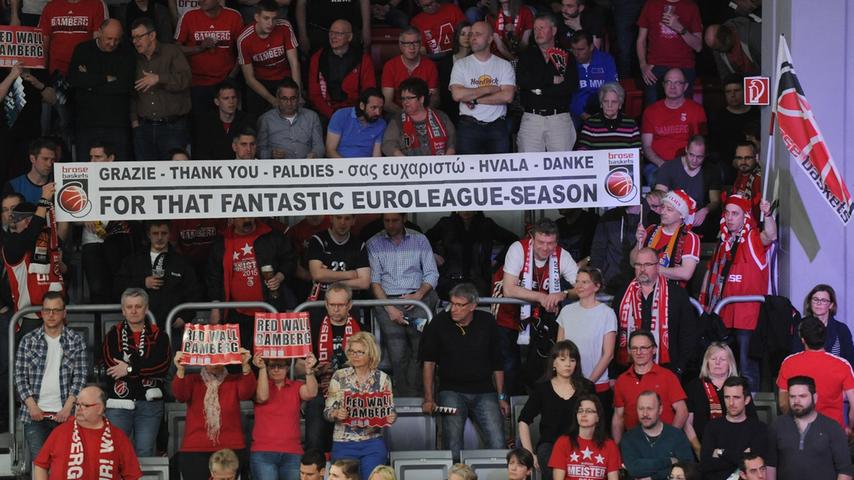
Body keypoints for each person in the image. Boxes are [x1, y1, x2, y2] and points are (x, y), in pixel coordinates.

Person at [420, 282, 507, 460]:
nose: (454, 309)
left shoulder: (487, 322)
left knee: (498, 442)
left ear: (473, 306)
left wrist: (501, 396)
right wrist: (429, 398)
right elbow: (428, 362)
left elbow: (497, 362)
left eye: (460, 305)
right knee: (452, 444)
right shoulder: (439, 323)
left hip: (485, 390)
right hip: (451, 390)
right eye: (452, 303)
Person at [699, 195, 776, 392]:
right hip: (724, 313)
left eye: (736, 213)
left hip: (747, 315)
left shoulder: (752, 237)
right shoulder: (723, 241)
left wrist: (767, 214)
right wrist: (704, 299)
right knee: (725, 365)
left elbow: (770, 235)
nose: (730, 217)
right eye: (728, 213)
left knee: (746, 365)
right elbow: (711, 271)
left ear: (745, 216)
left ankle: (751, 409)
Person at [500, 218, 578, 391]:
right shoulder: (518, 249)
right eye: (541, 242)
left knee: (541, 369)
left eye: (550, 243)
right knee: (511, 368)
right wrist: (542, 297)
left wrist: (563, 293)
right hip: (510, 317)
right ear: (532, 239)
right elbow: (509, 289)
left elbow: (583, 286)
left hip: (540, 322)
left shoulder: (561, 254)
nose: (545, 248)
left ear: (556, 242)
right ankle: (510, 412)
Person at [367, 212, 439, 396]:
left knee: (420, 351)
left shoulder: (420, 239)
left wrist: (418, 295)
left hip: (418, 299)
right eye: (386, 221)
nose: (390, 225)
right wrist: (389, 307)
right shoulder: (374, 243)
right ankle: (403, 396)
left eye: (395, 220)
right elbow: (374, 281)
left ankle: (420, 395)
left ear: (404, 219)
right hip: (387, 301)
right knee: (397, 354)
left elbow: (432, 273)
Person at [14, 292, 87, 462]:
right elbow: (19, 376)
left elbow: (81, 376)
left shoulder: (75, 340)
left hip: (66, 414)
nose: (51, 315)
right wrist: (32, 407)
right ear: (41, 312)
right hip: (34, 416)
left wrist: (68, 407)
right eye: (47, 310)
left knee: (65, 463)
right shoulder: (28, 340)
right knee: (40, 463)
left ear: (64, 312)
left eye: (56, 310)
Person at [207, 217, 297, 349]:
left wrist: (280, 276)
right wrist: (215, 306)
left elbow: (290, 259)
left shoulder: (271, 236)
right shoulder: (222, 242)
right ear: (232, 219)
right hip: (235, 313)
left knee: (267, 359)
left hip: (269, 310)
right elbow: (213, 276)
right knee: (237, 360)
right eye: (242, 217)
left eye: (250, 215)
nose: (247, 220)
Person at [101, 288, 171, 457]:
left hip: (150, 405)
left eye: (138, 306)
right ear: (123, 311)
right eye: (129, 307)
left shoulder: (159, 336)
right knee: (116, 455)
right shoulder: (112, 335)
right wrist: (143, 368)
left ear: (146, 309)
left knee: (144, 453)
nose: (133, 311)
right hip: (119, 404)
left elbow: (161, 367)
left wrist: (129, 368)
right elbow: (112, 366)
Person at [172, 348, 255, 480]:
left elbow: (247, 393)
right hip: (195, 449)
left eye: (219, 356)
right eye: (210, 356)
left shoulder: (234, 380)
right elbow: (180, 395)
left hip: (231, 446)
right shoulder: (192, 380)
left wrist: (245, 365)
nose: (215, 362)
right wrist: (180, 370)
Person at [325, 332, 396, 480]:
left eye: (360, 352)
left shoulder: (383, 379)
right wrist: (336, 413)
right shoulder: (339, 376)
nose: (355, 355)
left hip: (372, 443)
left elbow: (389, 411)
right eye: (352, 351)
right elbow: (327, 411)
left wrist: (390, 417)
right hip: (343, 442)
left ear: (371, 353)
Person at [616, 248, 698, 376]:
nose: (642, 269)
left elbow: (688, 335)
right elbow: (615, 336)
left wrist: (680, 368)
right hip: (630, 371)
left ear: (658, 266)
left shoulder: (677, 294)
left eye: (647, 264)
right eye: (638, 264)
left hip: (668, 371)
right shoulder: (622, 295)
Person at [33, 385, 142, 480]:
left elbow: (132, 475)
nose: (79, 409)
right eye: (77, 404)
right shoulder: (60, 432)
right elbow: (40, 465)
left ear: (100, 409)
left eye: (85, 405)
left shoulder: (118, 437)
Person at [518, 340, 594, 475]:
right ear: (553, 363)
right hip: (550, 446)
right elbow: (523, 420)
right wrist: (529, 453)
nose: (568, 364)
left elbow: (597, 419)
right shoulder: (542, 388)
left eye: (572, 360)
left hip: (580, 445)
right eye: (563, 359)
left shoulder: (587, 387)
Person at [304, 283, 362, 453]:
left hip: (352, 392)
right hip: (322, 388)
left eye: (341, 305)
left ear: (349, 305)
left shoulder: (360, 330)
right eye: (332, 305)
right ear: (326, 304)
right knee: (314, 439)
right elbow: (300, 367)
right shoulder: (313, 327)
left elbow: (371, 365)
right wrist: (316, 370)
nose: (336, 309)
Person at [67, 18, 136, 162]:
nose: (112, 43)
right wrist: (106, 78)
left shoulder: (127, 52)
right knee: (86, 171)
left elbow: (124, 86)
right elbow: (75, 80)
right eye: (108, 38)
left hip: (117, 124)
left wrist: (90, 82)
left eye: (117, 40)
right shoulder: (83, 49)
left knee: (119, 170)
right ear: (99, 33)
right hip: (86, 123)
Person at [115, 221, 201, 334]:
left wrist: (184, 317)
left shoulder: (181, 262)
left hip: (172, 329)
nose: (160, 237)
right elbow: (118, 286)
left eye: (163, 233)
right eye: (155, 233)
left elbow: (194, 293)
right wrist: (143, 282)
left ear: (170, 234)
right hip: (139, 329)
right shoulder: (133, 260)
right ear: (148, 234)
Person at [766, 376, 854, 480]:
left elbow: (845, 471)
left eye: (802, 396)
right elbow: (770, 466)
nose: (796, 401)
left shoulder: (832, 427)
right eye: (792, 396)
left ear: (815, 397)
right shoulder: (778, 425)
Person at [2, 186, 64, 331]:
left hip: (58, 313)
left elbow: (65, 274)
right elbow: (30, 237)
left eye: (31, 218)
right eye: (24, 219)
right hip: (30, 318)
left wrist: (61, 266)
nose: (28, 222)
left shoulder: (49, 240)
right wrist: (43, 202)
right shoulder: (12, 243)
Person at [130, 17, 192, 161]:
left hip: (172, 127)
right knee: (147, 176)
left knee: (174, 175)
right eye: (133, 37)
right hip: (144, 127)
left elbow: (185, 79)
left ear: (152, 35)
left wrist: (159, 79)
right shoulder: (135, 59)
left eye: (139, 37)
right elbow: (132, 92)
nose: (135, 41)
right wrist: (134, 122)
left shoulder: (171, 52)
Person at [449, 20, 516, 154]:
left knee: (499, 172)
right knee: (469, 172)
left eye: (478, 34)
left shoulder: (504, 65)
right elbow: (457, 95)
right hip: (468, 126)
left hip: (497, 126)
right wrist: (489, 89)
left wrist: (474, 99)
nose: (472, 37)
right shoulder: (461, 65)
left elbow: (507, 96)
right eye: (471, 34)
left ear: (490, 39)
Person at [250, 351, 318, 480]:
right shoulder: (259, 386)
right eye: (272, 366)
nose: (276, 369)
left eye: (280, 366)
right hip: (263, 452)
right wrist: (262, 368)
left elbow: (311, 393)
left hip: (292, 452)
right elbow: (263, 396)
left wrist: (309, 370)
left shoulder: (296, 386)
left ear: (287, 368)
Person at [777, 317, 854, 430]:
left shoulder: (789, 362)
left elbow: (783, 403)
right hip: (834, 432)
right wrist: (850, 428)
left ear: (802, 339)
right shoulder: (843, 365)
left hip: (799, 432)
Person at [515, 12, 576, 153]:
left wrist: (539, 89)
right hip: (532, 118)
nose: (538, 32)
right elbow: (522, 81)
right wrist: (550, 80)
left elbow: (570, 86)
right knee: (529, 167)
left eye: (542, 28)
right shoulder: (526, 55)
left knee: (562, 167)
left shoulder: (566, 55)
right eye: (535, 29)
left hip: (559, 119)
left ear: (553, 30)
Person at [612, 331, 688, 443]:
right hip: (635, 443)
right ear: (629, 351)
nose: (639, 352)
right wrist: (617, 448)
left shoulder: (667, 376)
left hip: (664, 440)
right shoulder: (622, 380)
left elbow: (682, 411)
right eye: (634, 348)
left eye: (644, 348)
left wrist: (669, 440)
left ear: (654, 349)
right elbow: (618, 417)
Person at [556, 268, 616, 409]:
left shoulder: (607, 313)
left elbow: (608, 354)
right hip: (568, 383)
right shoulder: (566, 311)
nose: (579, 285)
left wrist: (588, 383)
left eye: (584, 282)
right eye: (577, 281)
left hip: (597, 384)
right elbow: (560, 349)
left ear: (597, 286)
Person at [683, 342, 756, 457]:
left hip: (737, 449)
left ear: (730, 363)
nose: (717, 363)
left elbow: (752, 420)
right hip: (702, 449)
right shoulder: (694, 386)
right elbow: (687, 424)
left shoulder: (740, 385)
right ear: (706, 362)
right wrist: (699, 450)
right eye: (713, 359)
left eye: (722, 359)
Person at [175, 0, 243, 118]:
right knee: (201, 127)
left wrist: (231, 77)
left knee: (229, 125)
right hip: (197, 84)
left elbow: (243, 50)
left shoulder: (234, 16)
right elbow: (175, 49)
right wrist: (199, 48)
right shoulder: (189, 16)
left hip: (226, 82)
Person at [425, 211, 516, 299]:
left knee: (478, 310)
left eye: (469, 207)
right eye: (462, 207)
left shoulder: (486, 224)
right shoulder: (446, 224)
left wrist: (498, 260)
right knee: (453, 310)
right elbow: (424, 240)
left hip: (480, 280)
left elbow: (513, 239)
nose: (466, 211)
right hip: (450, 279)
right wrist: (434, 255)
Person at [640, 68, 707, 185]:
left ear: (685, 86)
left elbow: (700, 144)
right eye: (668, 82)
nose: (672, 86)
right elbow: (646, 147)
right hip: (658, 164)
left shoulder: (697, 110)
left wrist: (687, 166)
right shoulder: (651, 111)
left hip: (690, 164)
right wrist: (663, 165)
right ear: (663, 85)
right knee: (656, 179)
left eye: (677, 83)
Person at [237, 0, 301, 117]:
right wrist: (272, 100)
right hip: (260, 81)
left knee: (295, 107)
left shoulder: (285, 26)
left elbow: (294, 64)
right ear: (257, 17)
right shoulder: (244, 39)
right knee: (256, 116)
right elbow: (249, 79)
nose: (270, 23)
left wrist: (298, 94)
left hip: (283, 78)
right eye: (266, 18)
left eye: (274, 18)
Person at [700, 376, 770, 480]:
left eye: (736, 397)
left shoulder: (759, 428)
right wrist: (741, 457)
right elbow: (706, 465)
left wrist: (721, 452)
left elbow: (753, 465)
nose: (731, 403)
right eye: (727, 397)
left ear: (747, 400)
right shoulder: (712, 427)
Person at [307, 19, 376, 121]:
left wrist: (355, 113)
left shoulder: (363, 59)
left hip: (355, 112)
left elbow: (369, 92)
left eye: (338, 33)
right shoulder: (318, 58)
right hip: (326, 112)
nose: (333, 37)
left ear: (350, 37)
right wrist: (332, 115)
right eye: (331, 33)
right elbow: (314, 94)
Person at [636, 0, 702, 105]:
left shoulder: (691, 7)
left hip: (684, 65)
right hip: (656, 65)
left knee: (683, 111)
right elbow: (641, 40)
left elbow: (698, 46)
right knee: (653, 112)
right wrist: (643, 65)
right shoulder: (651, 4)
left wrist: (679, 27)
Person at [654, 136, 722, 234]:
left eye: (699, 157)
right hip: (673, 220)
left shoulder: (712, 171)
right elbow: (659, 196)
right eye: (691, 155)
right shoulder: (668, 168)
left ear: (705, 155)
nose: (694, 160)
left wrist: (705, 210)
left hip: (699, 222)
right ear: (686, 149)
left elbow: (715, 201)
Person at [620, 391, 693, 480]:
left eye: (649, 408)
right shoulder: (629, 438)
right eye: (641, 408)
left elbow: (687, 469)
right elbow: (634, 469)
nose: (645, 414)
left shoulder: (676, 435)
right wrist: (669, 461)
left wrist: (653, 477)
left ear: (660, 409)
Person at [633, 191, 701, 286]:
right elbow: (633, 262)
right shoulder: (651, 230)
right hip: (645, 289)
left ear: (681, 215)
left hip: (672, 293)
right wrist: (638, 242)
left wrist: (652, 269)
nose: (663, 212)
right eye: (663, 207)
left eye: (669, 209)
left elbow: (686, 273)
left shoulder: (690, 237)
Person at [548, 394, 621, 480]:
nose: (583, 414)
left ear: (598, 417)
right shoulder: (563, 442)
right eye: (580, 411)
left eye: (589, 411)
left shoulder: (610, 445)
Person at [381, 77, 456, 156]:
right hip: (408, 165)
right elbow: (388, 144)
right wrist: (404, 161)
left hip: (439, 165)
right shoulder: (397, 119)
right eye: (403, 99)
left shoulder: (441, 116)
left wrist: (446, 161)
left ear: (421, 99)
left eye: (409, 98)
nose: (405, 102)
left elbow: (452, 141)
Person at [257, 78, 325, 159]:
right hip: (278, 168)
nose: (289, 103)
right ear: (278, 99)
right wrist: (271, 154)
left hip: (307, 167)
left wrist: (315, 154)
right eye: (284, 99)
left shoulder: (312, 116)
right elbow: (258, 150)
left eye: (293, 98)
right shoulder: (265, 119)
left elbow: (319, 146)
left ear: (298, 98)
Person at [707, 78, 759, 183]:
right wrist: (734, 160)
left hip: (753, 161)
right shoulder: (718, 116)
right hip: (727, 163)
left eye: (737, 90)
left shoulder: (756, 113)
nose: (733, 95)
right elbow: (715, 146)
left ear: (745, 91)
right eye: (728, 92)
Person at [381, 27, 440, 114]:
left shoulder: (430, 65)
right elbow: (387, 103)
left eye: (415, 43)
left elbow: (434, 98)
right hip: (398, 113)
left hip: (424, 112)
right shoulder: (390, 66)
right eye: (407, 43)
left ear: (420, 44)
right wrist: (406, 116)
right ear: (400, 45)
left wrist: (423, 115)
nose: (411, 47)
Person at [193, 81, 256, 160]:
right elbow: (201, 153)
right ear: (217, 102)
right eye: (226, 98)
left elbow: (251, 149)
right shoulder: (205, 123)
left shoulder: (248, 120)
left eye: (233, 97)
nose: (231, 102)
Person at [794, 284, 854, 364]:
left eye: (824, 300)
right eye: (815, 299)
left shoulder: (841, 329)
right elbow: (795, 357)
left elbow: (850, 361)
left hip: (836, 374)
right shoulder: (801, 326)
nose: (819, 303)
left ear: (831, 305)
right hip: (808, 373)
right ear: (810, 302)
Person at [569, 30, 617, 125]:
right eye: (573, 49)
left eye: (581, 49)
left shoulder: (606, 60)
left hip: (602, 110)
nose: (576, 54)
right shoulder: (568, 62)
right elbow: (568, 95)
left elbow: (612, 89)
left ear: (591, 47)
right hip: (576, 112)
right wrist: (583, 114)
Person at [576, 82, 642, 152]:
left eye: (614, 102)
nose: (609, 105)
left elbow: (638, 153)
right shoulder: (590, 123)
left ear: (620, 104)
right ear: (601, 104)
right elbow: (582, 152)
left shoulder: (631, 124)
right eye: (606, 101)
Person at [326, 87, 387, 158]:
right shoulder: (341, 115)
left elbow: (376, 155)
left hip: (366, 166)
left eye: (381, 108)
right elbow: (330, 150)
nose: (378, 113)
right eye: (373, 108)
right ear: (362, 106)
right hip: (340, 165)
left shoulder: (381, 123)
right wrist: (347, 167)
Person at [295, 0, 370, 56]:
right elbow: (301, 4)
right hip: (319, 31)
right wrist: (302, 35)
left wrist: (366, 28)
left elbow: (364, 1)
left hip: (348, 32)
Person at [3, 137, 55, 204]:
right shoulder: (13, 186)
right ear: (32, 159)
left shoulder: (57, 185)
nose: (49, 164)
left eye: (52, 160)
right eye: (45, 159)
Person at [729, 141, 763, 220]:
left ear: (756, 157)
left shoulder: (758, 178)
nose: (743, 162)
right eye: (739, 158)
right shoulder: (740, 174)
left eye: (748, 158)